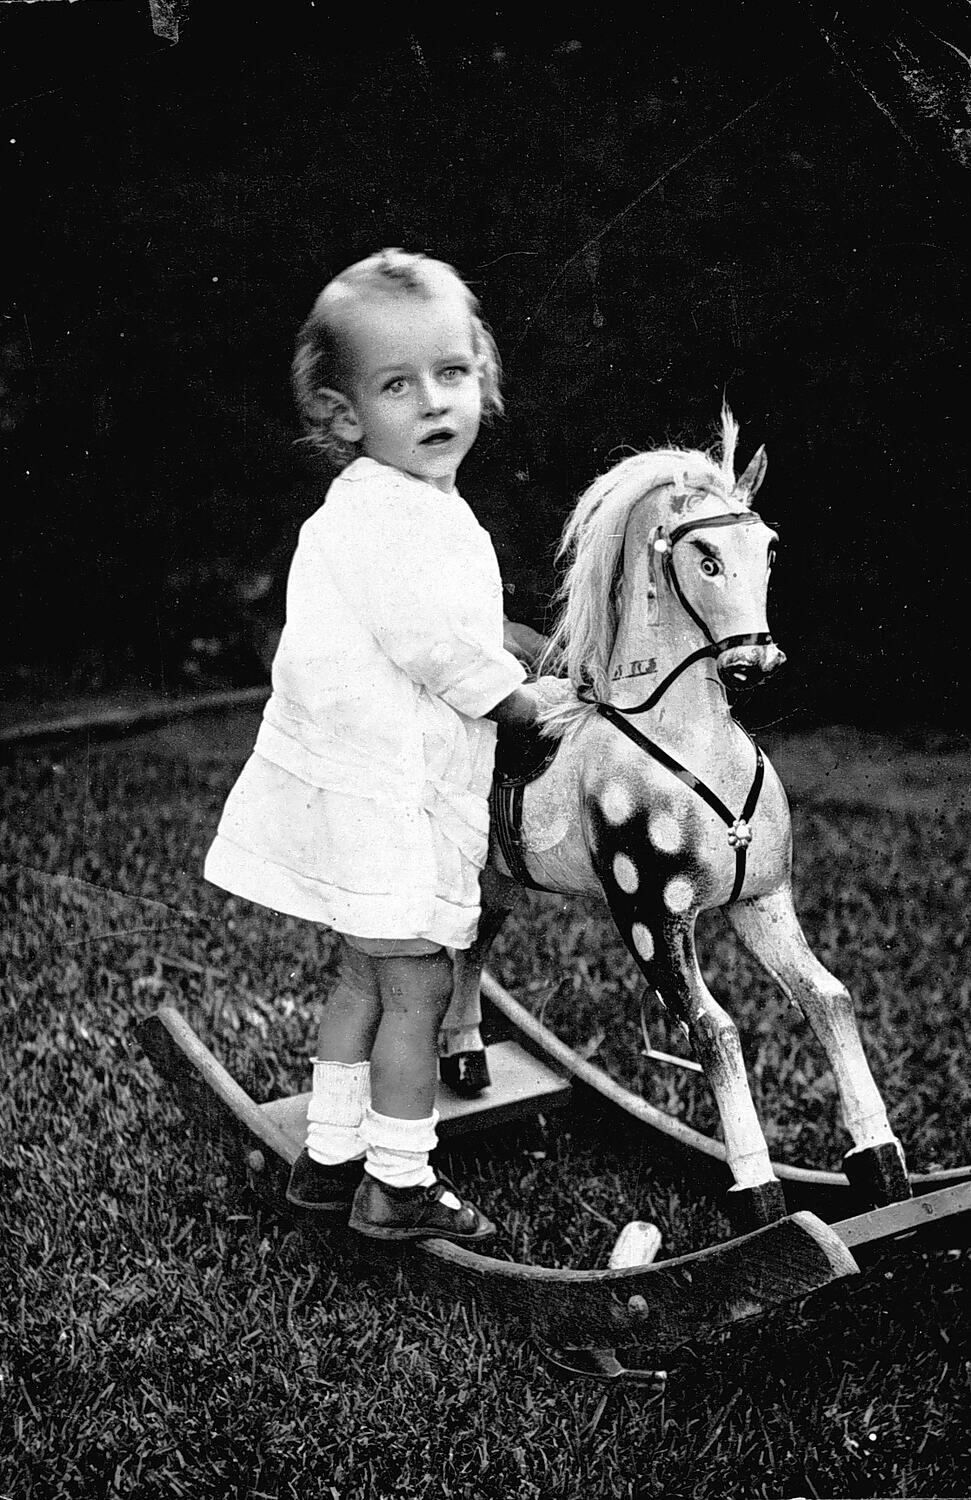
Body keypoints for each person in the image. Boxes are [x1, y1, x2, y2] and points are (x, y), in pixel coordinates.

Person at [204, 248, 540, 1244]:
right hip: (383, 800)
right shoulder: (386, 518)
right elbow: (432, 645)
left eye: (452, 372)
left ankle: (330, 1155)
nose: (436, 402)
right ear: (344, 415)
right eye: (398, 385)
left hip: (364, 793)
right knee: (418, 986)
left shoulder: (399, 500)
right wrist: (517, 703)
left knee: (359, 977)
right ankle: (397, 1177)